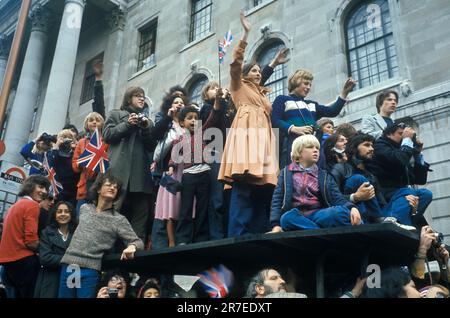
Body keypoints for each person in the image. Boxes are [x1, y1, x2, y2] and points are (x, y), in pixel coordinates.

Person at [218, 11, 279, 237]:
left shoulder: (262, 95)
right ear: (245, 74)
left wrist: (273, 63)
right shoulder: (238, 87)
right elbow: (235, 64)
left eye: (259, 71)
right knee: (243, 186)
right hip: (246, 138)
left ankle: (259, 230)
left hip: (263, 139)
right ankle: (238, 234)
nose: (258, 73)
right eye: (254, 70)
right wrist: (245, 34)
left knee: (262, 186)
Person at [58, 172, 144, 298]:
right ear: (98, 189)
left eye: (115, 187)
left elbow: (138, 242)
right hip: (70, 266)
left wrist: (132, 247)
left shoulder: (118, 220)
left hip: (90, 269)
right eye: (109, 185)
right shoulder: (84, 208)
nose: (113, 188)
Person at [269, 135, 362, 232]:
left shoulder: (324, 175)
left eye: (317, 148)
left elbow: (337, 197)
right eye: (310, 147)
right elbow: (277, 199)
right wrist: (276, 225)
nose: (315, 150)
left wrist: (352, 208)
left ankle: (314, 230)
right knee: (286, 218)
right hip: (296, 215)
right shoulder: (286, 173)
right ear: (298, 152)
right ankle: (321, 232)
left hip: (318, 214)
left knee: (339, 212)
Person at [330, 133, 419, 229]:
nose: (372, 149)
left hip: (378, 213)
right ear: (354, 148)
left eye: (372, 145)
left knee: (411, 192)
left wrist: (411, 209)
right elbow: (331, 197)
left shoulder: (371, 174)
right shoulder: (340, 168)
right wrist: (355, 197)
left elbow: (382, 204)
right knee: (358, 179)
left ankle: (393, 220)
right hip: (356, 212)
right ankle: (387, 221)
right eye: (367, 145)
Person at [271, 67, 355, 168]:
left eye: (310, 85)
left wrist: (344, 93)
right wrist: (294, 128)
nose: (309, 87)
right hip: (293, 147)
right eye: (306, 83)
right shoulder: (282, 99)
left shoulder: (312, 104)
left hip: (313, 149)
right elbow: (274, 120)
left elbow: (333, 111)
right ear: (296, 82)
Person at [103, 87, 157, 242]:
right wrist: (127, 124)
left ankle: (135, 248)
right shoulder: (115, 114)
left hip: (140, 177)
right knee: (114, 210)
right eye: (137, 96)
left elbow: (151, 146)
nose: (142, 99)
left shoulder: (147, 121)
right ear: (128, 98)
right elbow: (107, 135)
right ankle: (109, 247)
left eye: (143, 96)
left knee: (141, 213)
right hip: (119, 174)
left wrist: (146, 129)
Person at [168, 100, 223, 245]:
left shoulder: (203, 132)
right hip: (188, 176)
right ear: (181, 122)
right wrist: (171, 168)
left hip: (204, 173)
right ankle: (183, 239)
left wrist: (217, 105)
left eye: (195, 118)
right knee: (185, 207)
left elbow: (212, 118)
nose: (193, 120)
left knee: (202, 207)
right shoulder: (179, 139)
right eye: (189, 118)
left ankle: (201, 238)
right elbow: (174, 157)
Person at [366, 123, 433, 226]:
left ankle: (407, 222)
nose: (404, 136)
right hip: (384, 191)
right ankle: (392, 221)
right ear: (389, 134)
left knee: (426, 194)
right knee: (407, 192)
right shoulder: (379, 145)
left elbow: (419, 180)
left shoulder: (401, 150)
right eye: (401, 133)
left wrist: (417, 154)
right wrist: (407, 142)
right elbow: (398, 160)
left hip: (400, 192)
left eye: (405, 134)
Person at [0, 175, 50, 298]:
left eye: (46, 189)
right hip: (23, 261)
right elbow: (31, 241)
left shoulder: (15, 206)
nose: (44, 191)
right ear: (30, 186)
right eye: (41, 187)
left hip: (7, 262)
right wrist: (48, 251)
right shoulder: (32, 206)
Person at [151, 95, 187, 248]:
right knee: (169, 206)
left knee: (183, 204)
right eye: (176, 102)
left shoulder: (188, 125)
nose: (179, 104)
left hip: (186, 169)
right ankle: (170, 242)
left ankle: (181, 239)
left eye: (182, 102)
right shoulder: (167, 123)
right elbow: (155, 134)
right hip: (170, 169)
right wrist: (167, 117)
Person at [34, 201, 77, 298]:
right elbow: (45, 258)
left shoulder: (77, 234)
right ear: (54, 215)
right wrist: (70, 259)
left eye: (66, 211)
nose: (63, 214)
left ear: (71, 215)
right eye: (59, 211)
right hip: (51, 277)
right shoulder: (46, 233)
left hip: (72, 276)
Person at [72, 112, 107, 216]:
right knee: (81, 219)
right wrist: (82, 162)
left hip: (100, 185)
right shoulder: (81, 142)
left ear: (102, 123)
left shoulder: (106, 141)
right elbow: (74, 165)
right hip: (84, 187)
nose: (94, 122)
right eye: (91, 120)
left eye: (97, 120)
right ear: (86, 124)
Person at [49, 128, 79, 206]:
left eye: (69, 138)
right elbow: (51, 163)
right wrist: (57, 145)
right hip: (59, 190)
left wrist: (75, 147)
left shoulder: (75, 154)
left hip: (73, 191)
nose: (66, 140)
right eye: (64, 137)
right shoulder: (55, 153)